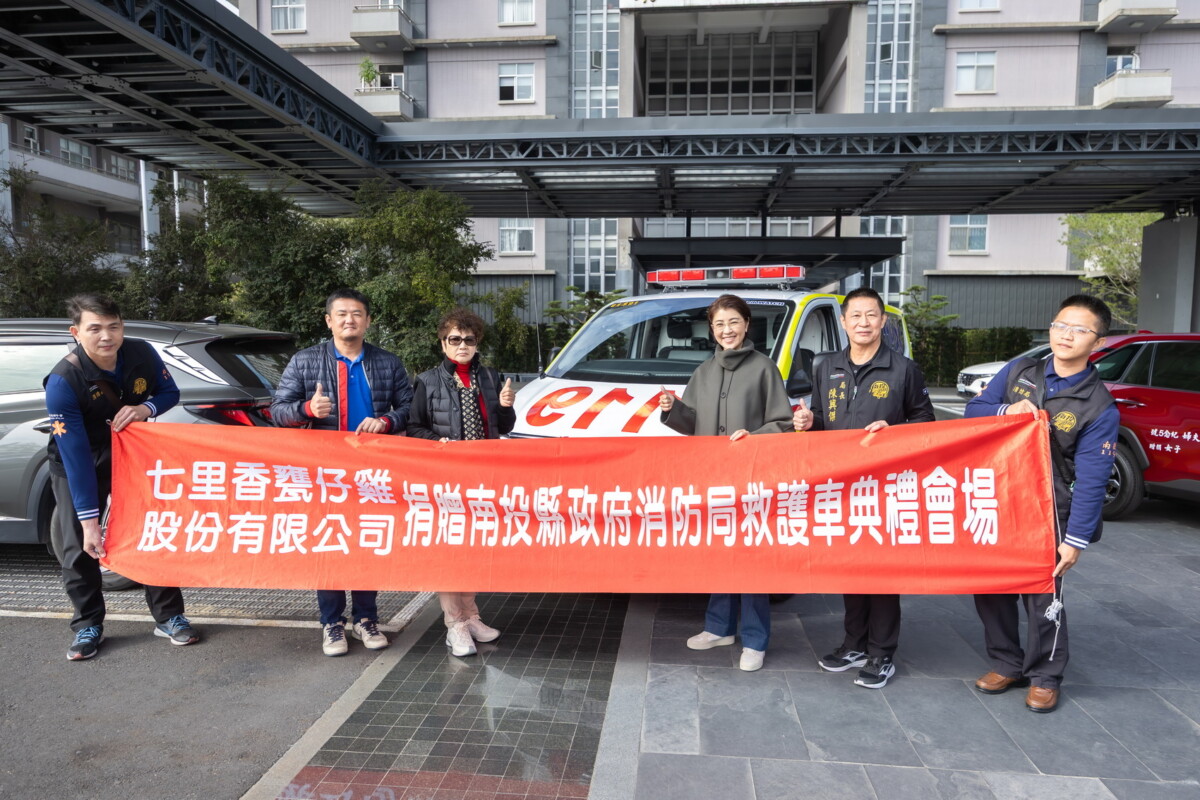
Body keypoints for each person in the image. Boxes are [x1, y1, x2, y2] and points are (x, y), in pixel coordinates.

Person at [964, 294, 1118, 713]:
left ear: (1097, 342)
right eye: (1060, 325)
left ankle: (1046, 676)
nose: (1066, 335)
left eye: (1079, 329)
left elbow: (1093, 479)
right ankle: (1006, 662)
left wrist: (1076, 539)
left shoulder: (1098, 405)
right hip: (997, 497)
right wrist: (1006, 409)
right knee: (991, 586)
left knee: (1042, 594)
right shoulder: (1021, 370)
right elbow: (974, 411)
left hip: (1049, 510)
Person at [793, 286, 934, 689]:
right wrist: (808, 423)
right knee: (851, 566)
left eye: (871, 315)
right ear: (843, 322)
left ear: (883, 320)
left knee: (882, 570)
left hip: (886, 487)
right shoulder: (827, 367)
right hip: (841, 486)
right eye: (855, 316)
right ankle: (854, 643)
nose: (863, 323)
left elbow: (925, 422)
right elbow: (821, 420)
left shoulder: (903, 369)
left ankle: (882, 652)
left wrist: (894, 430)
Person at [45, 294, 199, 660]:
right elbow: (78, 459)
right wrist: (90, 522)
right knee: (80, 546)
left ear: (122, 327)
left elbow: (169, 392)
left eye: (113, 327)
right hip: (78, 461)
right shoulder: (63, 381)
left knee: (152, 532)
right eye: (94, 328)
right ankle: (87, 625)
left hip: (133, 455)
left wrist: (145, 408)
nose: (106, 336)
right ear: (76, 332)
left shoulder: (141, 352)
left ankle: (169, 617)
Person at [271, 289, 413, 656]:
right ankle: (331, 622)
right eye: (342, 314)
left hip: (371, 471)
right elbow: (277, 411)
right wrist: (306, 409)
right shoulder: (305, 361)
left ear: (368, 321)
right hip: (324, 471)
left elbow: (410, 408)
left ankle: (366, 618)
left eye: (357, 313)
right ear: (329, 321)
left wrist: (386, 421)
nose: (350, 320)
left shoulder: (387, 363)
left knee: (366, 541)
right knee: (329, 541)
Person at [659, 294, 792, 672]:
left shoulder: (764, 368)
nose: (726, 330)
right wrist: (672, 409)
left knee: (751, 559)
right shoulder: (702, 372)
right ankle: (719, 628)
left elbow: (783, 423)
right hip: (713, 480)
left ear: (747, 324)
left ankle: (755, 640)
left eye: (733, 322)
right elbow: (692, 424)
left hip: (752, 481)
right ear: (711, 329)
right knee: (718, 553)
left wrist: (753, 437)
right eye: (719, 324)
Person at [407, 308, 516, 658]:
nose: (462, 345)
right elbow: (413, 427)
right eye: (454, 339)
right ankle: (454, 624)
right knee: (450, 549)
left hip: (482, 477)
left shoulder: (491, 377)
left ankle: (471, 616)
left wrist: (506, 406)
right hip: (445, 479)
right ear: (443, 343)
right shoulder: (428, 381)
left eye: (469, 339)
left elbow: (504, 426)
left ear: (477, 342)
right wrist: (437, 443)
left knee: (475, 548)